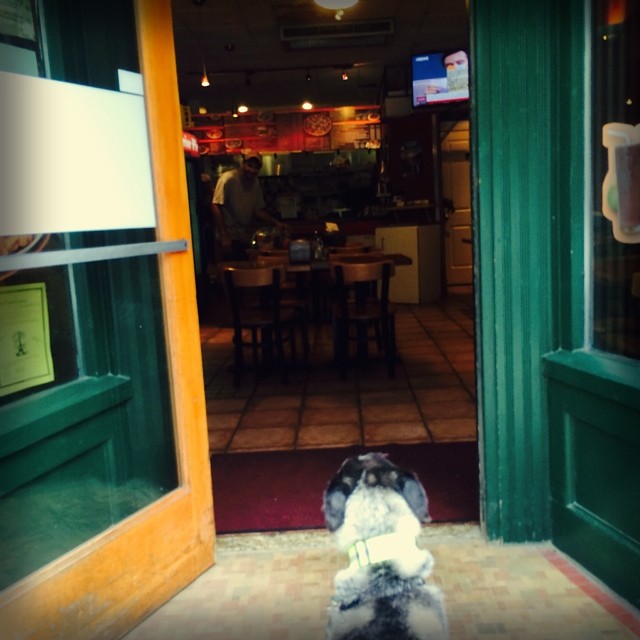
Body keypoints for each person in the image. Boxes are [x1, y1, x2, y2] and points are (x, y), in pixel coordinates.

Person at [211, 151, 287, 260]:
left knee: (246, 272)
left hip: (244, 237)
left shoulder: (255, 182)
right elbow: (215, 205)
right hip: (229, 238)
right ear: (243, 163)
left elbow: (258, 210)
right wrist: (224, 236)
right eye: (249, 166)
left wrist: (276, 223)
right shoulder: (227, 179)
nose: (252, 170)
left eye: (256, 168)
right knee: (230, 272)